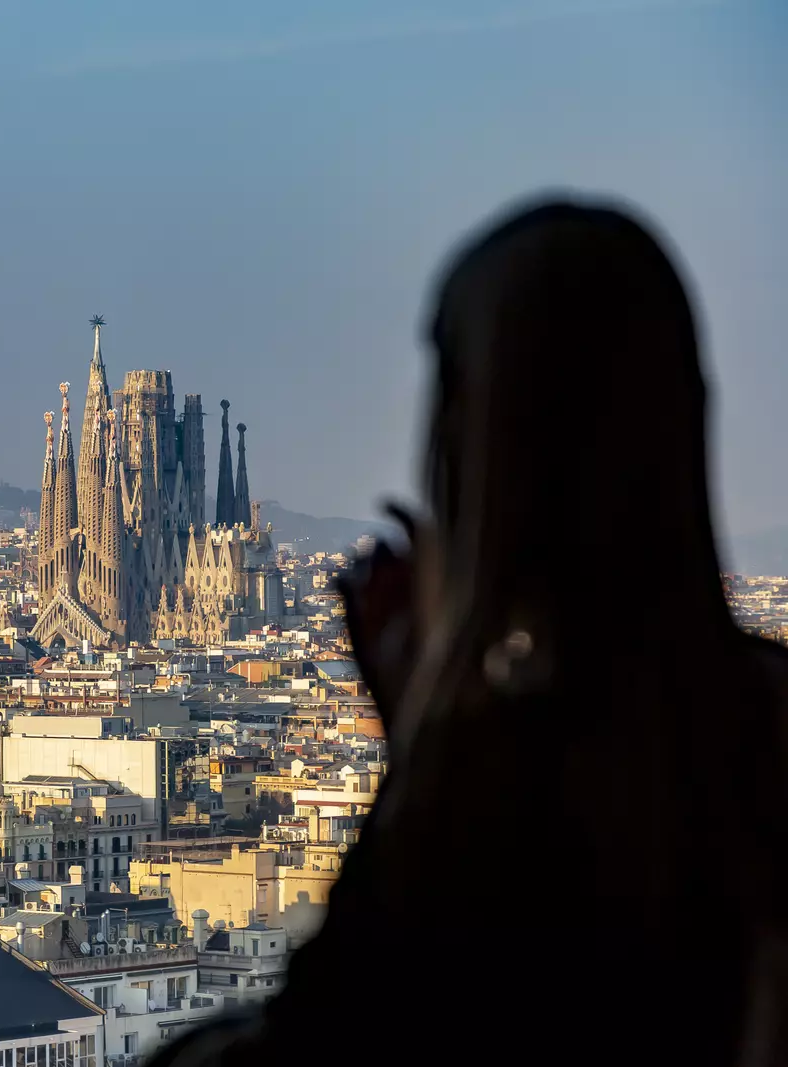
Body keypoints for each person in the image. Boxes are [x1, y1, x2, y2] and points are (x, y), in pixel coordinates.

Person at [150, 197, 788, 1065]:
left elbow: (334, 1035)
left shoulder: (497, 787)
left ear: (467, 451)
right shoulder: (763, 731)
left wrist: (422, 737)